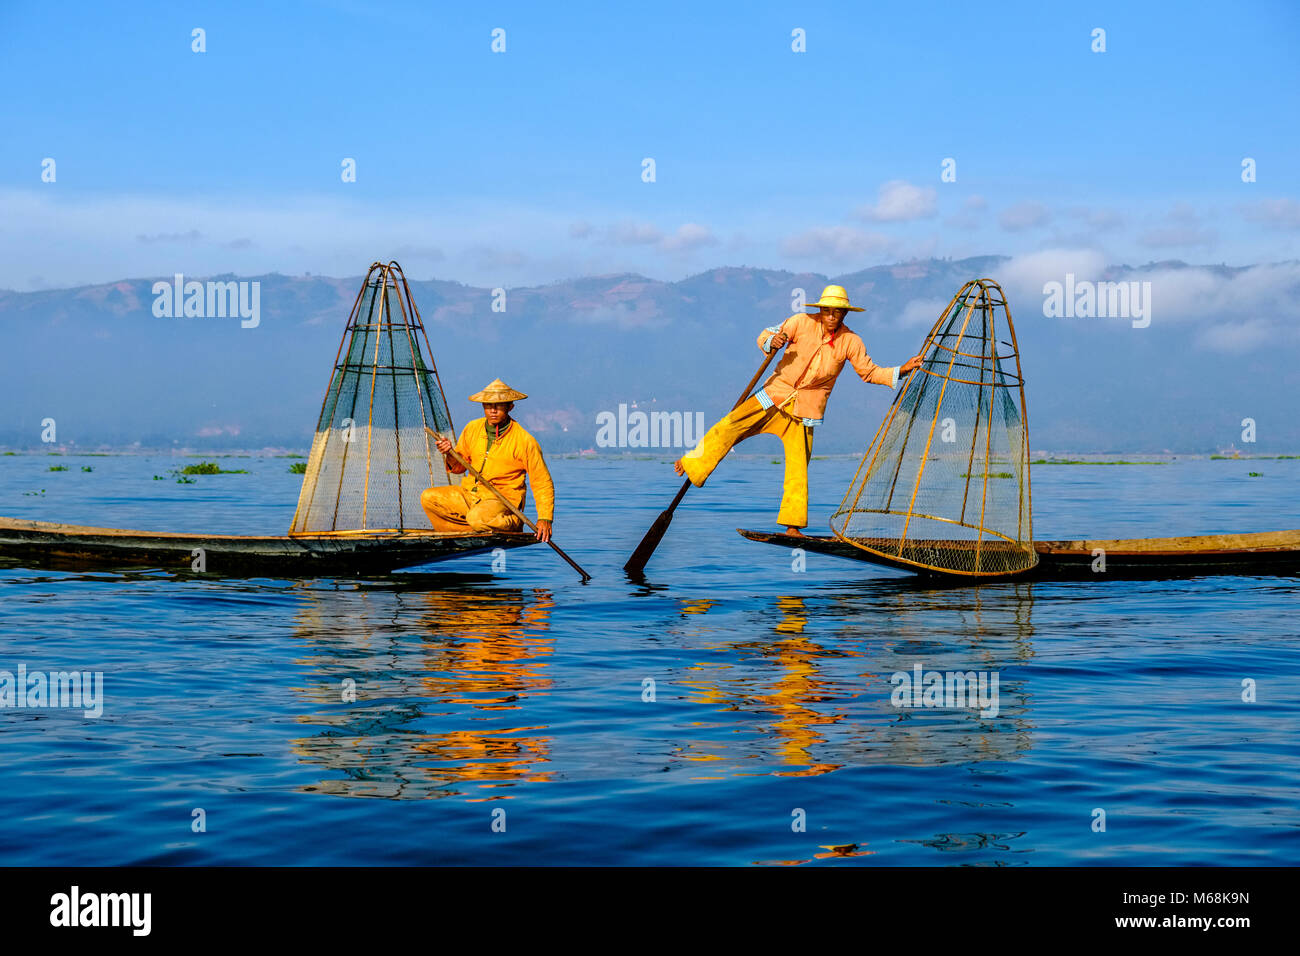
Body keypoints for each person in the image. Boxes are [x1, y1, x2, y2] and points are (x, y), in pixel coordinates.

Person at [674, 285, 924, 537]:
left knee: (798, 468)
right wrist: (773, 340)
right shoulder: (800, 322)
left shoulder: (851, 341)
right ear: (821, 310)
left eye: (837, 312)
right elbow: (765, 335)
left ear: (844, 314)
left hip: (804, 411)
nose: (831, 316)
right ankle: (692, 462)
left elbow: (869, 372)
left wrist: (901, 369)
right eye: (827, 310)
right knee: (728, 426)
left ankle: (792, 527)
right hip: (772, 396)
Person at [420, 379, 555, 542]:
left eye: (498, 405)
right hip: (471, 494)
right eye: (488, 405)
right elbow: (458, 467)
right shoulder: (472, 428)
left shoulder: (524, 441)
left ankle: (513, 522)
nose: (493, 410)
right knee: (429, 498)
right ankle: (468, 530)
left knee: (477, 518)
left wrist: (545, 518)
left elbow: (541, 481)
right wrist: (449, 453)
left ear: (510, 407)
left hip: (502, 500)